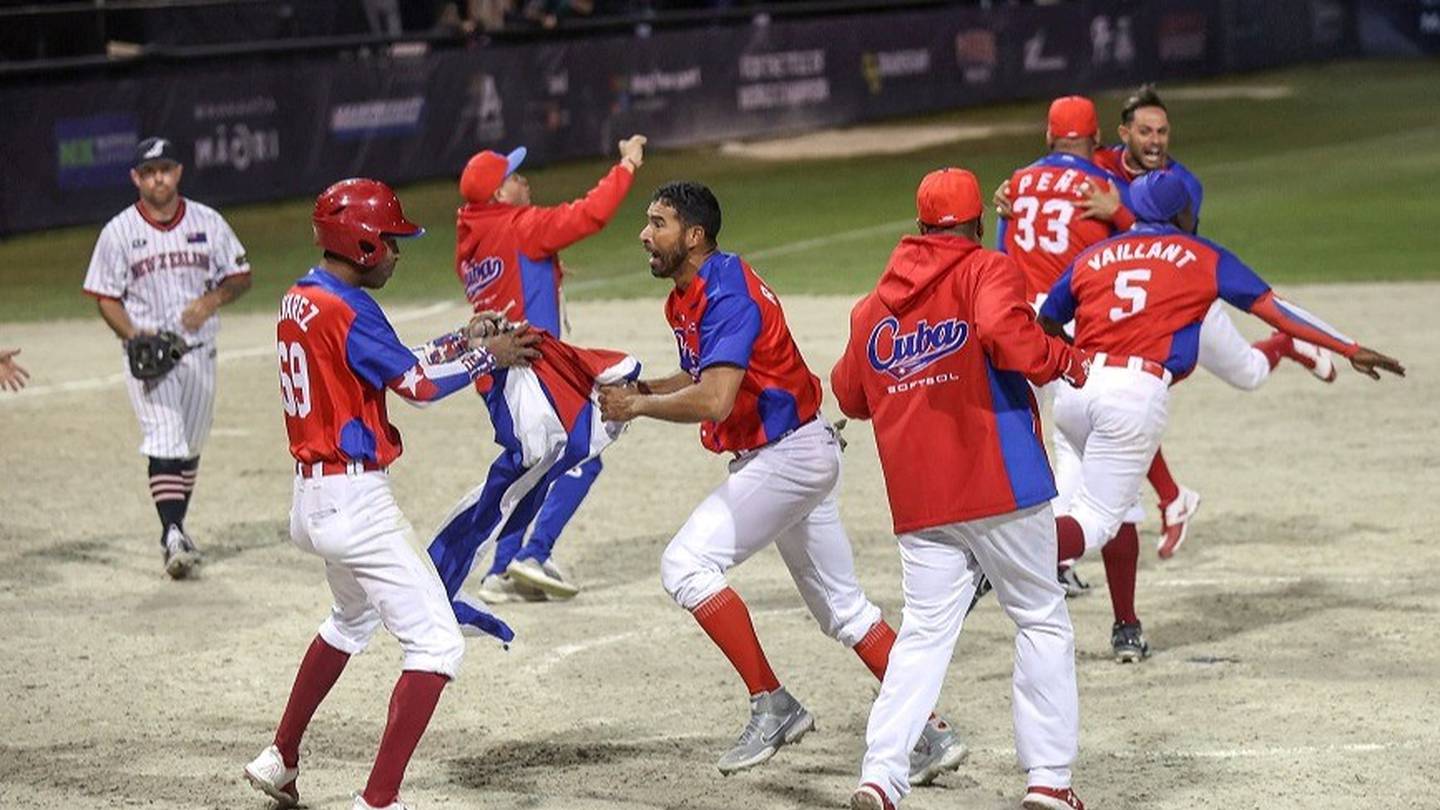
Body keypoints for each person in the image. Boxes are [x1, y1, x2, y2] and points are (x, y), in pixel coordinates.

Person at [597, 181, 966, 783]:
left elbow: (716, 400)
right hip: (797, 453)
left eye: (658, 222)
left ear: (694, 236)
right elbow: (700, 376)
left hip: (786, 457)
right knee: (846, 613)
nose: (644, 233)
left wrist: (636, 410)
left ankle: (773, 703)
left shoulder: (727, 293)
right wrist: (640, 390)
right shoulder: (689, 294)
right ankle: (930, 730)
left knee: (685, 567)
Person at [243, 178, 540, 810]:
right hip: (355, 503)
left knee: (351, 620)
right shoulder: (350, 307)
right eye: (392, 241)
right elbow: (418, 387)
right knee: (437, 645)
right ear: (365, 243)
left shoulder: (302, 296)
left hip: (313, 499)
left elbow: (392, 362)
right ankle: (378, 801)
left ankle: (280, 758)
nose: (398, 253)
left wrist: (464, 342)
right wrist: (489, 358)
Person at [1038, 171, 1404, 663]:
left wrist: (1073, 363)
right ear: (1181, 214)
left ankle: (1126, 624)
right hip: (1131, 394)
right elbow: (1277, 310)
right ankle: (1002, 554)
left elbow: (1045, 322)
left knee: (1117, 505)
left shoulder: (1093, 256)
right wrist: (1348, 347)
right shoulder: (1202, 255)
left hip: (1076, 391)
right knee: (1097, 521)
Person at [833, 168, 1088, 810]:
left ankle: (882, 775)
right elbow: (1009, 337)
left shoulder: (872, 307)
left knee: (922, 634)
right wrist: (1064, 359)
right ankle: (1049, 782)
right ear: (977, 223)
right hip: (999, 482)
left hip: (921, 501)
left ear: (919, 225)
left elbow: (848, 393)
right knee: (1039, 618)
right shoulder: (988, 270)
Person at [996, 85, 1337, 560]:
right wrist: (1012, 195)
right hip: (1130, 313)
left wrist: (1114, 210)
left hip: (1184, 301)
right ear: (1118, 137)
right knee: (1121, 396)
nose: (1155, 140)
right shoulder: (1104, 167)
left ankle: (1286, 345)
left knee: (1248, 375)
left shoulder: (1182, 184)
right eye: (1145, 131)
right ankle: (1170, 499)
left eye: (1162, 131)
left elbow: (1164, 246)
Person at [454, 134, 646, 603]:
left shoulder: (473, 241)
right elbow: (588, 215)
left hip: (496, 377)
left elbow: (510, 278)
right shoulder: (521, 225)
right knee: (583, 453)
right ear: (500, 194)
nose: (525, 181)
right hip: (534, 368)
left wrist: (548, 273)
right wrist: (626, 166)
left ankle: (502, 570)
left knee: (539, 463)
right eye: (515, 177)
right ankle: (531, 553)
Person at [81, 136, 253, 579]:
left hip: (199, 350)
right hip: (149, 357)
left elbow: (239, 275)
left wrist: (211, 300)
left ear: (178, 172)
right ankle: (172, 534)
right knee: (164, 439)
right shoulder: (118, 232)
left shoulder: (207, 222)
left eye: (166, 169)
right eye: (149, 171)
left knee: (189, 446)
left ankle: (176, 526)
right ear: (135, 178)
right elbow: (104, 296)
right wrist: (134, 335)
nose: (158, 177)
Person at [425, 313, 641, 640]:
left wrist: (466, 342)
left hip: (502, 363)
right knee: (559, 458)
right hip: (527, 363)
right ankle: (528, 556)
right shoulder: (530, 256)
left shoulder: (469, 260)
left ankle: (501, 569)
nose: (395, 256)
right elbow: (412, 382)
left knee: (531, 466)